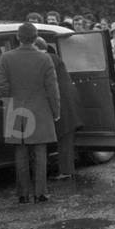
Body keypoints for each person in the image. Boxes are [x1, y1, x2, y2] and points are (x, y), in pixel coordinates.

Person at [0, 23, 59, 203]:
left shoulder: (6, 58)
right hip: (40, 109)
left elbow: (1, 85)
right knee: (40, 153)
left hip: (15, 109)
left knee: (20, 152)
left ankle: (23, 193)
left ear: (18, 36)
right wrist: (55, 111)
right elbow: (52, 89)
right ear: (35, 37)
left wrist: (10, 98)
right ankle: (41, 192)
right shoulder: (45, 59)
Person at [32, 37, 82, 180]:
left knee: (65, 138)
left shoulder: (47, 59)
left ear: (37, 47)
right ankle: (66, 170)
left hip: (63, 104)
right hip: (66, 102)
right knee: (65, 138)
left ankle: (66, 172)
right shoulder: (52, 58)